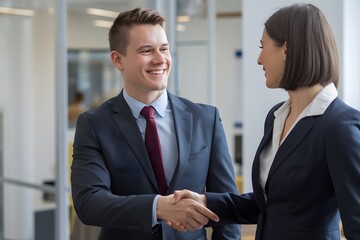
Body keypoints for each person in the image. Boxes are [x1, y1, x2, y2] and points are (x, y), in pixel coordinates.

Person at [169, 3, 360, 240]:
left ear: (286, 50)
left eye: (263, 47)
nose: (259, 59)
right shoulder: (276, 117)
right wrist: (205, 201)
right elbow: (269, 206)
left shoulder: (340, 126)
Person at [70, 7, 241, 240]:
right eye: (147, 50)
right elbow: (90, 203)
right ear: (117, 59)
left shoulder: (205, 119)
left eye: (164, 49)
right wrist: (158, 207)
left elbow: (226, 207)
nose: (160, 59)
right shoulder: (94, 124)